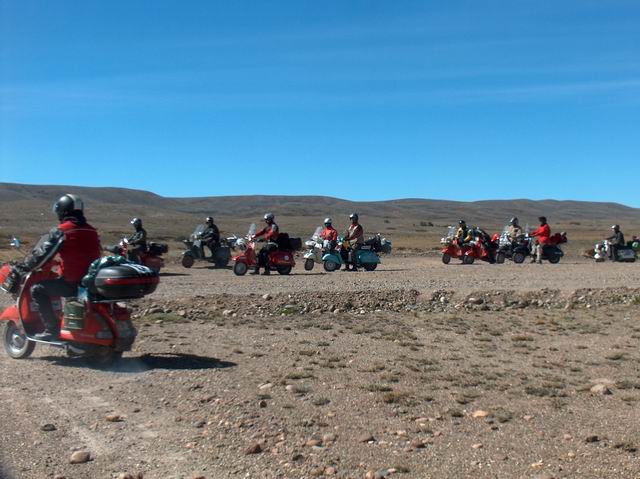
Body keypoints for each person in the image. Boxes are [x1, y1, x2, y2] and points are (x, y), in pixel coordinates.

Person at [25, 194, 101, 341]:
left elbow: (43, 254)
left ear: (63, 211)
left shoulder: (63, 230)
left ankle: (51, 330)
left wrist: (28, 266)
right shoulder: (92, 230)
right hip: (91, 282)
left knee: (37, 289)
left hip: (73, 283)